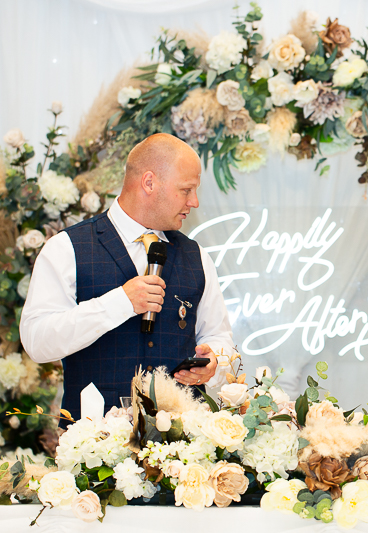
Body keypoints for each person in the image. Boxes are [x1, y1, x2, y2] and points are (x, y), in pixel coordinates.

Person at [20, 133, 234, 419]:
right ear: (149, 183)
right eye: (186, 190)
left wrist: (215, 362)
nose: (193, 202)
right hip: (93, 451)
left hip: (182, 453)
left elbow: (219, 338)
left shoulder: (196, 256)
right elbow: (37, 341)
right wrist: (120, 302)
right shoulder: (66, 248)